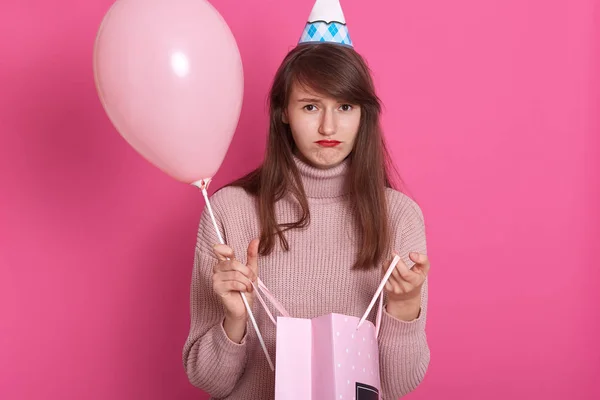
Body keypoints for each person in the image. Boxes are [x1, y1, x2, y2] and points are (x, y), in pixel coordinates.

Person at [182, 1, 431, 398]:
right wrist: (234, 319)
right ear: (283, 111)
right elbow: (208, 379)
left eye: (345, 107)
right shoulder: (231, 211)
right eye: (311, 106)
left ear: (364, 115)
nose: (328, 126)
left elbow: (397, 386)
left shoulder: (399, 217)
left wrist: (404, 310)